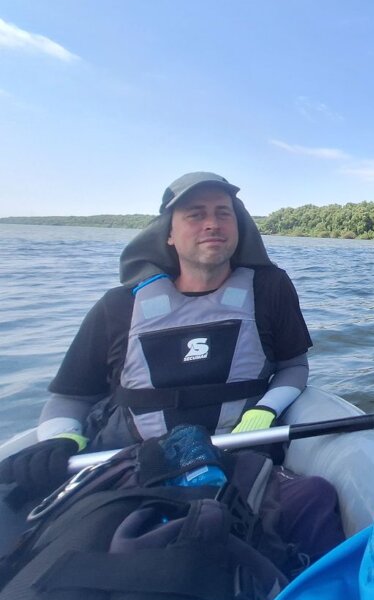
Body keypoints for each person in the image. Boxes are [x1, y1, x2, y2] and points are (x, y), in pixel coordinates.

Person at [0, 171, 343, 560]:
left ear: (238, 227)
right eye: (195, 214)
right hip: (134, 467)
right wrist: (62, 437)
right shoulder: (117, 306)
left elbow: (293, 366)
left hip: (238, 459)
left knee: (315, 498)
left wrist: (265, 410)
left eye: (223, 213)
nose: (212, 223)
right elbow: (71, 396)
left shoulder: (269, 289)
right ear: (168, 234)